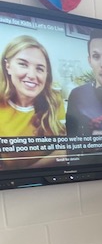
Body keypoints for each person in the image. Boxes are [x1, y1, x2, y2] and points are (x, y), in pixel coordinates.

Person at [0, 35, 65, 168]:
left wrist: (30, 173)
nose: (32, 75)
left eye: (40, 69)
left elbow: (66, 150)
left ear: (47, 73)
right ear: (8, 66)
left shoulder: (54, 100)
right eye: (23, 64)